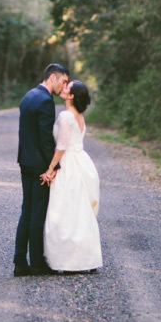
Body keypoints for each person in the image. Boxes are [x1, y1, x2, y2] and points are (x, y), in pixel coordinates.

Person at [14, 62, 69, 276]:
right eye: (63, 81)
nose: (64, 86)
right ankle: (36, 263)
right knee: (37, 214)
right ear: (52, 77)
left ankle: (20, 262)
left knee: (26, 212)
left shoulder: (28, 96)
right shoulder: (46, 101)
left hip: (25, 162)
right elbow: (46, 140)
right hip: (39, 166)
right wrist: (52, 166)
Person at [43, 80, 102, 273]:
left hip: (68, 163)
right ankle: (86, 258)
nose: (64, 87)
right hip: (81, 161)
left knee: (64, 209)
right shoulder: (79, 116)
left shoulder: (66, 116)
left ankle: (67, 261)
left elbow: (61, 145)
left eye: (68, 87)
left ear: (71, 96)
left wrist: (51, 168)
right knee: (80, 210)